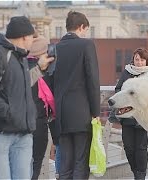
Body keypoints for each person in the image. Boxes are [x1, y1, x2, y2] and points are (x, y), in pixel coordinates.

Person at [0, 16, 52, 179]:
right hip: (0, 134)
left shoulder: (19, 57)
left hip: (23, 134)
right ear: (24, 37)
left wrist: (40, 68)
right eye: (32, 38)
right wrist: (10, 113)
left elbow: (22, 84)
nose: (32, 41)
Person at [53, 11, 100, 179]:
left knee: (65, 163)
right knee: (81, 162)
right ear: (81, 27)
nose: (85, 34)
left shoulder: (56, 48)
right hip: (82, 113)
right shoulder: (86, 45)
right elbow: (93, 80)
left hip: (60, 114)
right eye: (85, 30)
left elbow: (51, 81)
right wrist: (96, 112)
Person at [114, 48, 148, 179]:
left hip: (143, 118)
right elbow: (118, 89)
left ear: (146, 61)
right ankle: (136, 172)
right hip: (127, 117)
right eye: (137, 59)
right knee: (129, 148)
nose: (139, 63)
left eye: (142, 60)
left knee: (141, 148)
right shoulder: (127, 72)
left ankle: (140, 176)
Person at [27, 36, 59, 179]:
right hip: (39, 123)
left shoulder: (20, 67)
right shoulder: (45, 72)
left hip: (22, 124)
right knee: (36, 162)